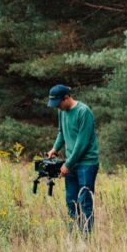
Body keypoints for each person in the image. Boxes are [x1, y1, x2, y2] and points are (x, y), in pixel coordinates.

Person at [46, 84, 99, 234]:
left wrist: (68, 164)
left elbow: (82, 143)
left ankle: (86, 237)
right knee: (71, 201)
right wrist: (55, 149)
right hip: (71, 163)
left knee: (85, 201)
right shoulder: (62, 112)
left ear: (66, 97)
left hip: (86, 164)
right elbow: (61, 132)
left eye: (58, 103)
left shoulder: (84, 112)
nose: (57, 107)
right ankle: (73, 234)